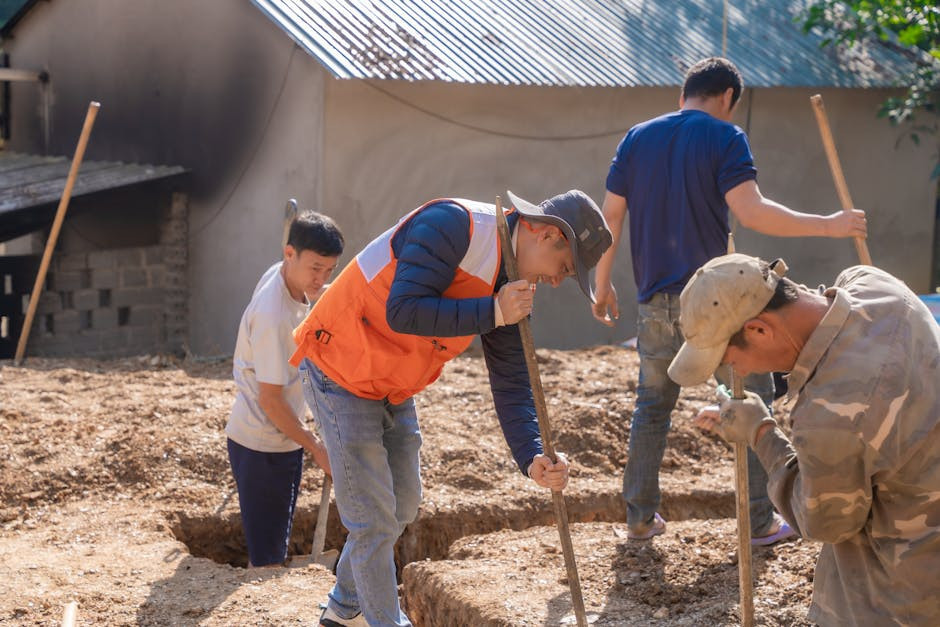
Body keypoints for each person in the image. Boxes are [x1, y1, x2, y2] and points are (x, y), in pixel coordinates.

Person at [290, 190, 612, 627]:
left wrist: (532, 454)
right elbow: (403, 310)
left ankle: (346, 607)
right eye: (566, 267)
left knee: (404, 503)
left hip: (391, 383)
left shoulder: (511, 284)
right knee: (372, 519)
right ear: (547, 234)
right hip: (340, 366)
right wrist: (493, 311)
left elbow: (512, 380)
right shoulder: (453, 225)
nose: (557, 281)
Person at [590, 56, 867, 542]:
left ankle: (638, 518)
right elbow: (751, 211)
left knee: (651, 408)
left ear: (683, 95)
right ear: (727, 98)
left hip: (654, 301)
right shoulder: (725, 136)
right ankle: (759, 521)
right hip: (718, 305)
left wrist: (602, 281)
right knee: (749, 401)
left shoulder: (637, 137)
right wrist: (830, 225)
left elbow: (609, 216)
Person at [669, 253, 940, 625]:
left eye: (730, 361)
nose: (738, 371)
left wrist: (760, 431)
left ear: (759, 330)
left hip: (906, 592)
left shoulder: (832, 414)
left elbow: (827, 522)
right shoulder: (875, 286)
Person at [225, 210, 344, 567]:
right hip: (263, 445)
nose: (320, 279)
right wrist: (317, 448)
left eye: (329, 270)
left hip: (281, 438)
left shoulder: (281, 275)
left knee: (274, 539)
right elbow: (271, 400)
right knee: (267, 559)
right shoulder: (273, 316)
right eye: (315, 269)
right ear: (289, 253)